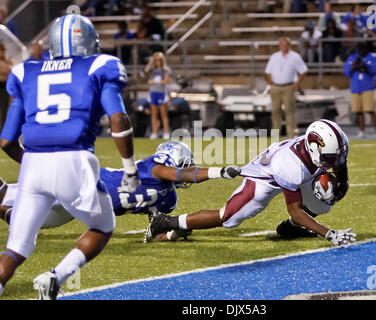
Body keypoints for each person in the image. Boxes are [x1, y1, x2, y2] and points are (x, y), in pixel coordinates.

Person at [0, 14, 141, 300]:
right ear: (89, 41)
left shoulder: (25, 72)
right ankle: (56, 277)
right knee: (103, 226)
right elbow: (118, 117)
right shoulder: (101, 65)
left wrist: (33, 162)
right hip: (75, 159)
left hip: (33, 165)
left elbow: (6, 141)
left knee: (16, 249)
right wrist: (129, 168)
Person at [149, 119, 356, 247]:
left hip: (298, 174)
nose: (335, 160)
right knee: (228, 217)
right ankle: (170, 222)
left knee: (325, 200)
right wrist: (328, 234)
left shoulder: (323, 146)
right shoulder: (290, 166)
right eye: (331, 156)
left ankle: (288, 230)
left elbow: (340, 164)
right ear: (313, 148)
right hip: (264, 180)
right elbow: (295, 210)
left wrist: (339, 185)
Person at [0, 141, 241, 242]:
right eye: (185, 163)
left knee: (30, 221)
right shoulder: (154, 168)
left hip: (85, 208)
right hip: (84, 182)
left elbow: (153, 231)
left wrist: (172, 234)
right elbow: (181, 174)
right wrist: (218, 172)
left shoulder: (169, 198)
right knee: (20, 187)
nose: (186, 169)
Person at [265, 37, 308, 138]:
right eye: (282, 45)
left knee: (289, 111)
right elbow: (268, 72)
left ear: (289, 45)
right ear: (279, 45)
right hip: (275, 86)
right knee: (275, 111)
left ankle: (291, 135)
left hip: (288, 86)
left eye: (285, 45)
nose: (283, 47)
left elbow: (303, 71)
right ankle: (275, 136)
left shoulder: (295, 57)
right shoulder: (274, 56)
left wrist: (297, 84)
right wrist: (271, 82)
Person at [344, 42, 376, 139]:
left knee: (370, 110)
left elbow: (373, 71)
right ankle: (362, 131)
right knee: (358, 111)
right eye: (359, 50)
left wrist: (364, 66)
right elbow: (347, 72)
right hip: (355, 88)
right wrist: (354, 67)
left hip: (367, 87)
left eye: (362, 49)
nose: (360, 52)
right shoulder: (352, 58)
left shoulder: (371, 57)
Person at [145, 52, 171, 140]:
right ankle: (154, 132)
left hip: (161, 93)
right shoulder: (153, 70)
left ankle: (166, 132)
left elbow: (166, 81)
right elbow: (146, 70)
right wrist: (150, 62)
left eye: (159, 60)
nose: (157, 62)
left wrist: (155, 82)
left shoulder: (165, 70)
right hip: (153, 93)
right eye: (156, 61)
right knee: (154, 115)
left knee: (163, 114)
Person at [0, 43, 12, 132]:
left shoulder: (7, 62)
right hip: (2, 86)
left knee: (4, 110)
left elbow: (10, 74)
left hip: (4, 88)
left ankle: (3, 130)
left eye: (3, 51)